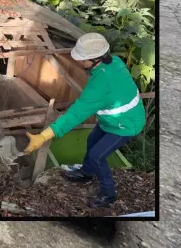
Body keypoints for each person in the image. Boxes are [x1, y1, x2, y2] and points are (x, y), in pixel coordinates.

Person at [24, 33, 145, 208]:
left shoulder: (101, 84)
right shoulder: (113, 62)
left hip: (126, 124)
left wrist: (43, 136)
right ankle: (86, 173)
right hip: (111, 120)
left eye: (83, 60)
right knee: (91, 140)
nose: (80, 63)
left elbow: (75, 114)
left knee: (97, 156)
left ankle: (108, 194)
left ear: (95, 59)